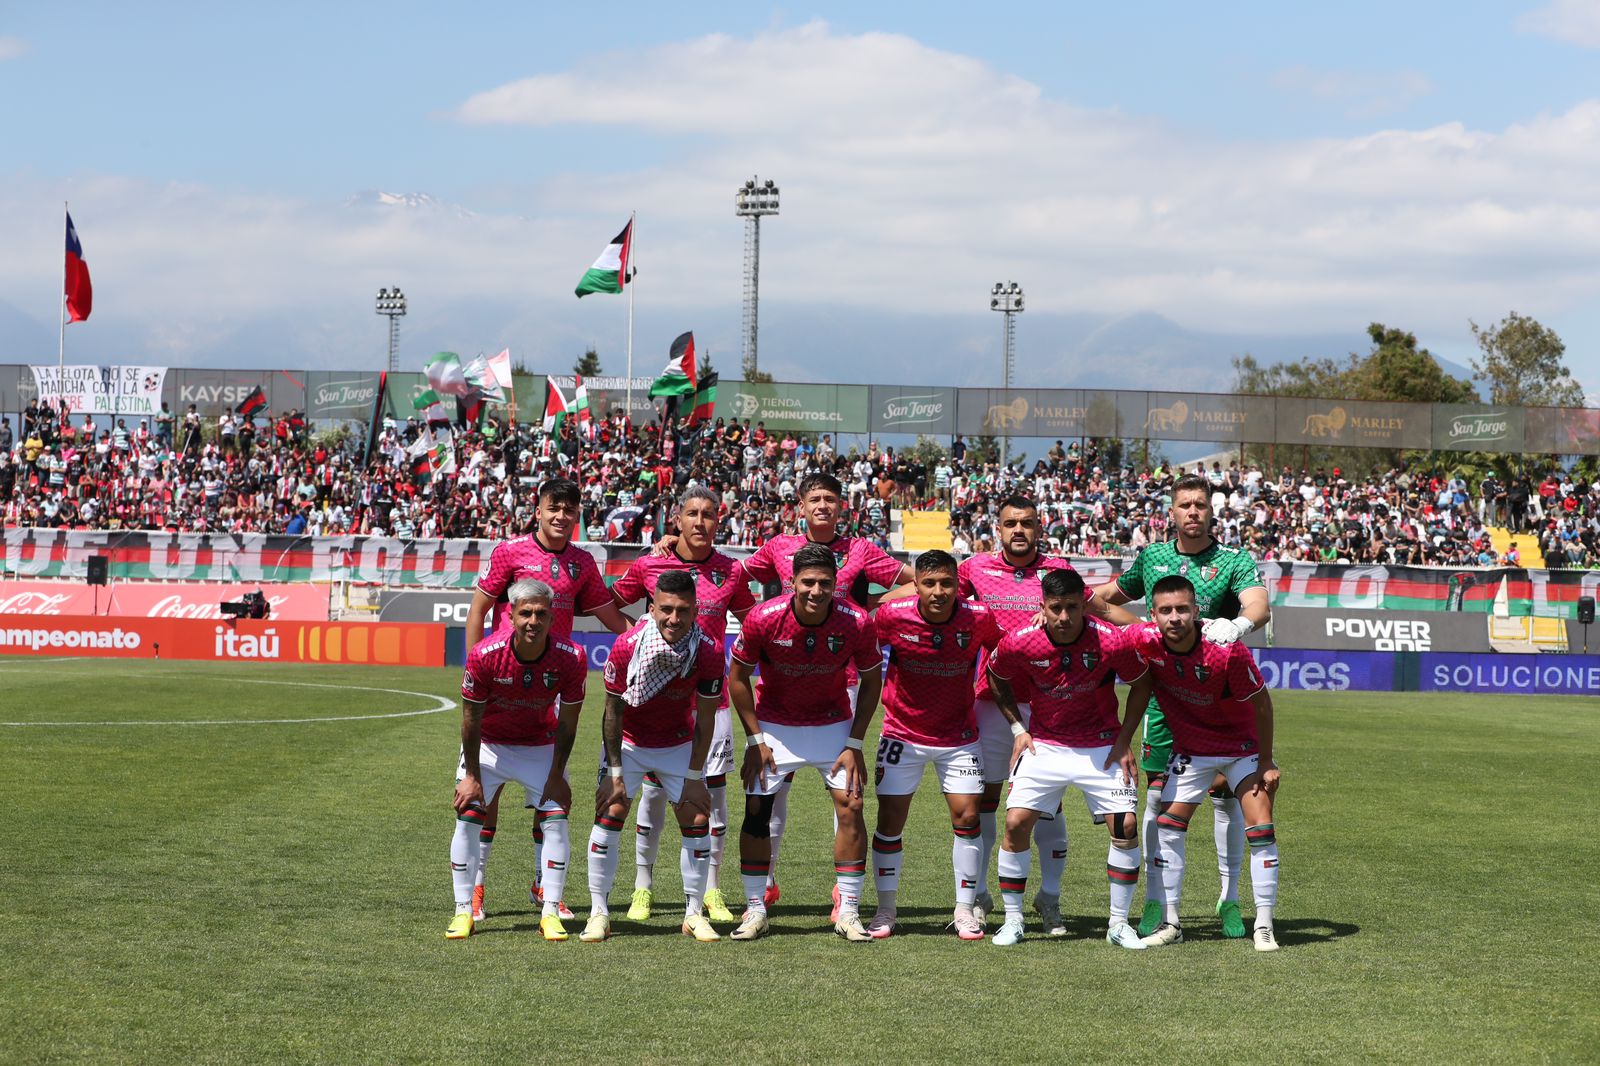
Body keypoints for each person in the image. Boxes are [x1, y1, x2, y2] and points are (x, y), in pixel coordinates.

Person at [932, 495, 1138, 933]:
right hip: (995, 700)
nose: (1019, 530)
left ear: (1039, 527)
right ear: (998, 528)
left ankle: (1049, 900)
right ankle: (974, 899)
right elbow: (934, 595)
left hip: (1054, 703)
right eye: (1011, 523)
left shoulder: (1058, 570)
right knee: (985, 803)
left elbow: (1101, 611)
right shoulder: (972, 569)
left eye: (1027, 523)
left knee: (1047, 806)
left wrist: (1154, 627)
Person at [1092, 473, 1269, 938]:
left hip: (1217, 701)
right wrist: (1058, 603)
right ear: (1171, 513)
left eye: (1200, 504)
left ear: (1212, 511)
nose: (1193, 511)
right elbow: (1105, 600)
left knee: (1226, 800)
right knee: (1156, 799)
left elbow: (1258, 606)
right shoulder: (1152, 556)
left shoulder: (1234, 560)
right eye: (1184, 505)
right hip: (1165, 701)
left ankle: (1229, 901)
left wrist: (1238, 626)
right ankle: (1158, 901)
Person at [463, 477, 631, 920]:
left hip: (552, 685)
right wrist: (475, 668)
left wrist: (644, 637)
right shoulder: (509, 552)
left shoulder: (582, 562)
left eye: (570, 510)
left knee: (552, 789)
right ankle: (477, 888)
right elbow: (479, 610)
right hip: (503, 679)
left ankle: (543, 884)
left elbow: (607, 612)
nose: (561, 516)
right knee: (487, 789)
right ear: (537, 510)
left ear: (578, 516)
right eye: (553, 507)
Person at [1109, 575, 1282, 952]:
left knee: (1261, 827)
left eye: (1182, 609)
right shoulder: (1144, 641)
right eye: (1166, 610)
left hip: (1241, 748)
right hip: (1192, 751)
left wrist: (1266, 760)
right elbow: (1101, 617)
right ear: (1152, 615)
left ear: (1196, 611)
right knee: (1168, 824)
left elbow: (1262, 703)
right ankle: (1172, 921)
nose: (1175, 618)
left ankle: (1264, 924)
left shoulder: (1225, 649)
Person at [608, 486, 755, 924]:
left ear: (719, 519)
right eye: (691, 513)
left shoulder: (731, 570)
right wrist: (630, 635)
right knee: (653, 796)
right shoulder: (652, 562)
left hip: (713, 701)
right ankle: (643, 888)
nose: (700, 521)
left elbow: (753, 622)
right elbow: (607, 602)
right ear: (677, 519)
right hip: (655, 701)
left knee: (713, 795)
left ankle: (711, 891)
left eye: (709, 514)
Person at [726, 543, 883, 941]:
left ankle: (848, 910)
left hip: (832, 725)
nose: (816, 591)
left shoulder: (857, 622)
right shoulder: (764, 618)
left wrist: (854, 742)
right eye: (808, 582)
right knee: (757, 811)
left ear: (836, 584)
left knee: (852, 806)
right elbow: (738, 678)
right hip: (775, 727)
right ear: (791, 581)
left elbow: (872, 681)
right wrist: (755, 739)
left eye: (825, 583)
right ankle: (755, 909)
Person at [983, 568, 1147, 949]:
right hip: (1045, 744)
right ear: (1042, 605)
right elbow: (995, 674)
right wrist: (1017, 729)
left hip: (1102, 746)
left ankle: (1119, 924)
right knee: (1015, 823)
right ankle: (1013, 920)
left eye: (1072, 607)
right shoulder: (1021, 641)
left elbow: (1142, 683)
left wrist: (1124, 740)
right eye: (1055, 608)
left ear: (1084, 606)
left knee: (1124, 827)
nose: (1063, 617)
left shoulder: (1111, 641)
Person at [583, 569, 726, 943]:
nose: (673, 619)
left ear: (695, 611)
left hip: (677, 744)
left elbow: (706, 716)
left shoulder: (709, 651)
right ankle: (599, 913)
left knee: (697, 816)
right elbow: (612, 712)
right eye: (665, 609)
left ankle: (693, 914)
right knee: (611, 811)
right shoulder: (627, 645)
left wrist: (695, 775)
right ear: (650, 608)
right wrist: (614, 771)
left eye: (682, 611)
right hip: (629, 743)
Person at [867, 549, 1001, 940]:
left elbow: (1001, 649)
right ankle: (886, 909)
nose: (939, 591)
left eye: (947, 582)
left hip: (958, 737)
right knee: (890, 822)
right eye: (930, 583)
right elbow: (858, 643)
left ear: (959, 584)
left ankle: (964, 909)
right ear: (917, 585)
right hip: (901, 734)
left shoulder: (978, 616)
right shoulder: (893, 615)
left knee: (968, 819)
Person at [447, 578, 587, 942]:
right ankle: (464, 910)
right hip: (488, 745)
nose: (533, 621)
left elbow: (569, 723)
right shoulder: (484, 654)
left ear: (552, 617)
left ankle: (550, 911)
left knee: (557, 820)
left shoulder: (571, 657)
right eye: (525, 613)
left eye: (541, 613)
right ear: (510, 615)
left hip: (540, 745)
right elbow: (470, 720)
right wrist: (472, 775)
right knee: (468, 817)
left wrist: (557, 774)